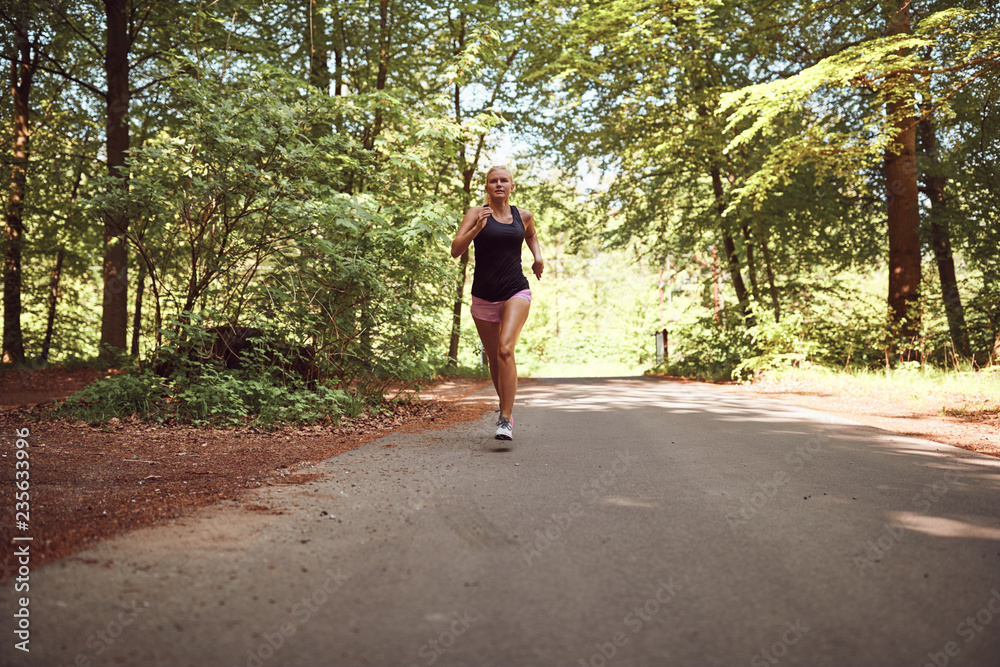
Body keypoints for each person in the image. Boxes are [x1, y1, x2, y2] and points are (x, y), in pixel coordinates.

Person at [451, 165, 543, 441]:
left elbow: (531, 235)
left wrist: (537, 258)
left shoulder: (523, 216)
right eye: (493, 181)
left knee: (505, 349)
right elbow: (456, 250)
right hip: (483, 295)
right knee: (494, 358)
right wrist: (477, 228)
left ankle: (505, 417)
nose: (499, 185)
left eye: (504, 181)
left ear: (512, 186)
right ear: (487, 187)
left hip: (516, 291)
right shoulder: (477, 213)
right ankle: (507, 410)